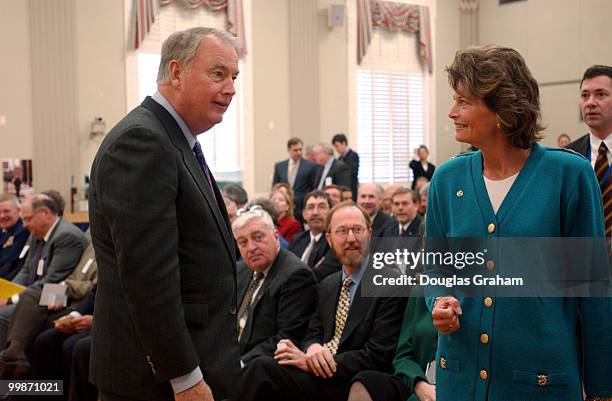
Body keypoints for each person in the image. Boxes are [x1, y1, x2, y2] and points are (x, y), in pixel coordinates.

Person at [426, 45, 612, 401]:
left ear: (501, 107)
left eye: (463, 102)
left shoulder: (569, 175)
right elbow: (437, 269)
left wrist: (602, 387)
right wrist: (439, 301)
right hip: (459, 378)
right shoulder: (446, 180)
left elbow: (592, 291)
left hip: (541, 381)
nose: (452, 112)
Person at [88, 27, 242, 401]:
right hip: (157, 383)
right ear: (176, 73)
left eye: (234, 77)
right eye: (218, 74)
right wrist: (184, 377)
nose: (232, 89)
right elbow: (148, 278)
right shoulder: (143, 141)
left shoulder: (175, 139)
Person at [235, 202, 406, 401]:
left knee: (260, 369)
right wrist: (313, 347)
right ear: (329, 239)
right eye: (341, 231)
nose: (351, 238)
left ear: (369, 233)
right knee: (263, 367)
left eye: (357, 230)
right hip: (319, 376)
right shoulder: (328, 285)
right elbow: (312, 333)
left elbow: (378, 354)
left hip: (352, 378)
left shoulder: (391, 283)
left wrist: (315, 362)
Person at [0, 194, 88, 349]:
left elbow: (52, 280)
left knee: (3, 315)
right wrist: (7, 293)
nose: (24, 225)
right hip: (34, 295)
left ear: (45, 213)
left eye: (28, 219)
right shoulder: (37, 232)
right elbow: (26, 270)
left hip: (54, 296)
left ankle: (9, 366)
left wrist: (10, 299)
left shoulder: (67, 236)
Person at [232, 209, 317, 367]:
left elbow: (287, 338)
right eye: (243, 242)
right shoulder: (242, 270)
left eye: (258, 237)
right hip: (231, 355)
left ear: (276, 237)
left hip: (259, 365)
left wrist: (241, 363)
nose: (251, 247)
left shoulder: (296, 275)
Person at [348, 287, 438, 401]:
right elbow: (403, 356)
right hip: (419, 381)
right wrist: (419, 384)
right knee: (364, 383)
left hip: (457, 384)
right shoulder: (420, 291)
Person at [567, 65, 612, 239]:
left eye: (601, 94)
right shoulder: (567, 156)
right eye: (585, 95)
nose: (590, 102)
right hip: (583, 259)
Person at [288, 191, 341, 281]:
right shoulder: (296, 239)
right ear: (304, 214)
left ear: (330, 213)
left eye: (321, 207)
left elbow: (322, 273)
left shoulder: (335, 240)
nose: (315, 212)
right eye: (311, 207)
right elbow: (285, 270)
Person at [272, 138, 318, 220]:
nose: (299, 152)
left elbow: (313, 187)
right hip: (284, 208)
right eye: (295, 150)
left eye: (300, 149)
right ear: (289, 150)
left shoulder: (311, 166)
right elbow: (275, 187)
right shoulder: (280, 166)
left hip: (301, 207)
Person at [0, 194, 28, 280]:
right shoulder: (2, 228)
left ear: (18, 211)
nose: (2, 216)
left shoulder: (23, 231)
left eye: (6, 211)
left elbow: (7, 261)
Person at [332, 134, 360, 200]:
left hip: (351, 188)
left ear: (344, 143)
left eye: (337, 146)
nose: (336, 149)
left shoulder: (353, 155)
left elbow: (352, 171)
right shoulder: (339, 158)